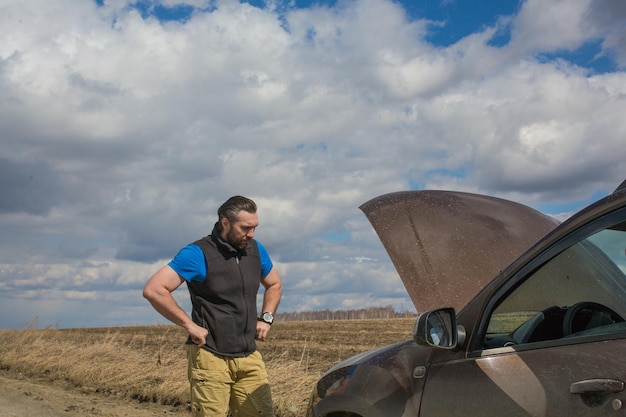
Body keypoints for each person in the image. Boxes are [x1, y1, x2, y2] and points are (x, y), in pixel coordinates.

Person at [143, 196, 283, 417]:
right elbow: (154, 289)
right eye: (245, 228)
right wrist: (189, 325)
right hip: (210, 355)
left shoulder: (256, 250)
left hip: (248, 356)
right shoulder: (198, 253)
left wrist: (266, 318)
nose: (251, 234)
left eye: (255, 227)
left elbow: (274, 284)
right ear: (225, 222)